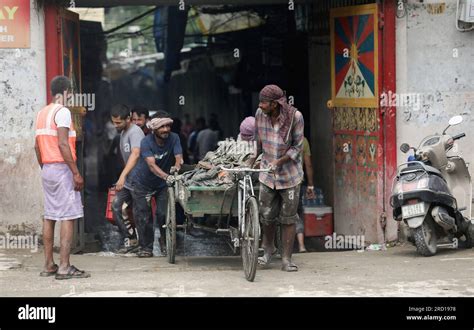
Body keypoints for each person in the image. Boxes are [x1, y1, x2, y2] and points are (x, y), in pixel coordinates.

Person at [34, 75, 90, 280]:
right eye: (71, 93)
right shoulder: (63, 112)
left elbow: (36, 146)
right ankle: (65, 266)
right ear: (66, 92)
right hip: (62, 169)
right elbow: (63, 144)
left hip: (47, 169)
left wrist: (45, 167)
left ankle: (49, 264)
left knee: (50, 215)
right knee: (68, 216)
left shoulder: (42, 113)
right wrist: (75, 172)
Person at [252, 84, 304, 272]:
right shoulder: (259, 115)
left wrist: (279, 161)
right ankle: (268, 250)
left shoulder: (295, 118)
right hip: (267, 174)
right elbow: (257, 140)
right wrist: (252, 158)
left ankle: (286, 259)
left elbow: (297, 148)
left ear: (274, 104)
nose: (260, 106)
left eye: (263, 103)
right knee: (266, 215)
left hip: (290, 176)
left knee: (288, 218)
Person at [129, 111, 183, 257]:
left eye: (167, 126)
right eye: (162, 127)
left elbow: (178, 157)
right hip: (142, 183)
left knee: (163, 214)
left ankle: (166, 242)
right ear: (154, 129)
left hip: (162, 184)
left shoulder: (175, 138)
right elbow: (152, 166)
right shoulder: (146, 142)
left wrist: (177, 167)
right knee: (144, 217)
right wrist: (167, 177)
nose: (166, 129)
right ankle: (145, 248)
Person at [110, 104, 145, 253]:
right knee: (116, 206)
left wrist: (122, 176)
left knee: (139, 212)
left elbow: (136, 154)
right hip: (129, 179)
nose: (115, 125)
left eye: (118, 122)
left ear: (128, 119)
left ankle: (144, 245)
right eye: (114, 122)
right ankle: (130, 239)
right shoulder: (123, 132)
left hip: (139, 179)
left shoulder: (135, 132)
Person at [296, 137, 316, 253]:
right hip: (296, 181)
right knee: (296, 212)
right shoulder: (303, 141)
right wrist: (310, 185)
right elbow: (308, 164)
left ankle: (271, 246)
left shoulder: (277, 137)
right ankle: (301, 246)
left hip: (277, 181)